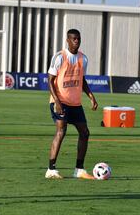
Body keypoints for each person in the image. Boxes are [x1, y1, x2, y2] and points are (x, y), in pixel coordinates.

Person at [45, 29, 98, 179]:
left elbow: (83, 80)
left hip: (75, 103)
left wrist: (91, 96)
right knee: (61, 131)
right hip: (60, 101)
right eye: (73, 39)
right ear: (67, 40)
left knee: (85, 132)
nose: (76, 41)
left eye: (78, 39)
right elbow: (50, 80)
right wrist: (57, 101)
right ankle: (51, 169)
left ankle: (79, 169)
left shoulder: (83, 59)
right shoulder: (59, 57)